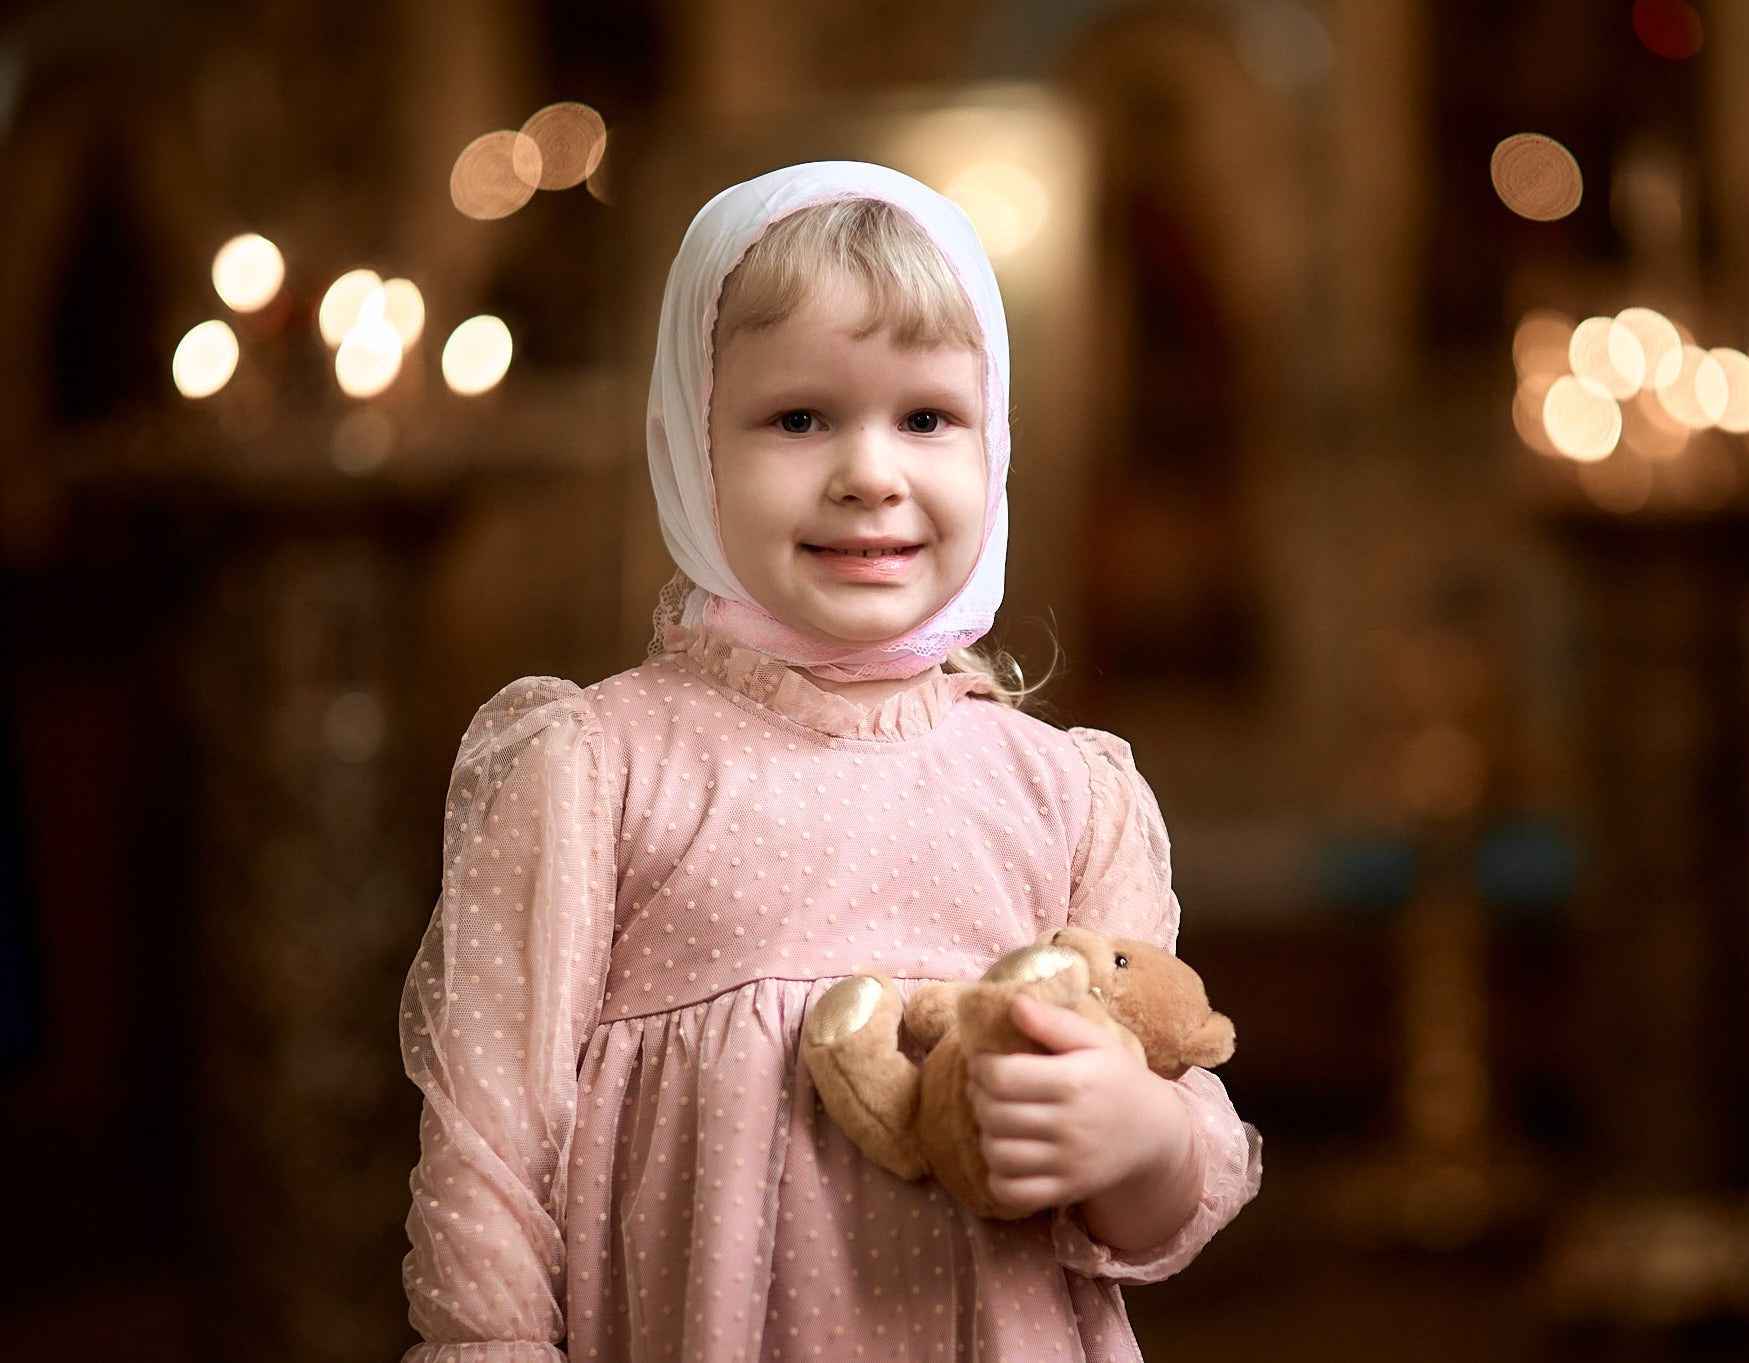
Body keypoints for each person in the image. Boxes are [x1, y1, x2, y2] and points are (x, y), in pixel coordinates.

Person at [399, 160, 1261, 1363]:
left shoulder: (1068, 794)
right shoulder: (596, 769)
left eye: (925, 417)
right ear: (688, 444)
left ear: (994, 440)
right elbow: (488, 1149)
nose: (869, 472)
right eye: (799, 417)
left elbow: (1161, 1183)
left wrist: (1139, 1142)